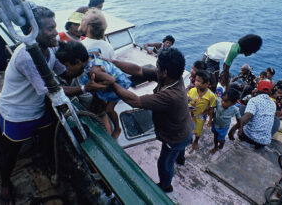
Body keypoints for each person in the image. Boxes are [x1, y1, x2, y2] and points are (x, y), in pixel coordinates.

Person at [0, 6, 101, 205]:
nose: (55, 32)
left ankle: (49, 165)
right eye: (50, 29)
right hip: (17, 113)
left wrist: (82, 68)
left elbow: (64, 73)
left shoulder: (51, 47)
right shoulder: (26, 56)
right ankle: (5, 185)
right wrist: (85, 88)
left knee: (46, 140)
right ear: (32, 32)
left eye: (54, 27)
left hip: (39, 108)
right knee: (10, 154)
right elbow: (52, 91)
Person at [96, 48, 193, 193]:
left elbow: (134, 101)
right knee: (178, 151)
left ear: (165, 72)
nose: (155, 69)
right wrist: (111, 62)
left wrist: (112, 82)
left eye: (158, 67)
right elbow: (139, 70)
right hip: (185, 126)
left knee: (165, 163)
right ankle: (181, 158)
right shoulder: (173, 77)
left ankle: (166, 185)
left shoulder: (172, 95)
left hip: (175, 137)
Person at [55, 41, 131, 135]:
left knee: (108, 109)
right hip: (108, 80)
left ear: (78, 62)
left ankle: (117, 128)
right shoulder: (88, 58)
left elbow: (111, 80)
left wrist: (101, 87)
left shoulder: (93, 71)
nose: (67, 69)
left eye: (67, 66)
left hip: (119, 84)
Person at [79, 8, 122, 138]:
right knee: (103, 114)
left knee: (95, 115)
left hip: (89, 88)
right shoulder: (107, 46)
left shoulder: (81, 45)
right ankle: (111, 137)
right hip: (106, 87)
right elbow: (113, 65)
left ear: (88, 26)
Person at [230, 80, 276, 149]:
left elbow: (247, 117)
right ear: (270, 92)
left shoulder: (254, 100)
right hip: (263, 143)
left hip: (249, 138)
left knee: (242, 108)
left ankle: (242, 138)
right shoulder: (273, 104)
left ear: (257, 89)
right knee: (276, 120)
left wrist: (232, 130)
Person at [187, 70, 216, 150]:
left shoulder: (211, 96)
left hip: (201, 116)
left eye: (199, 81)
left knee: (198, 130)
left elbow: (211, 108)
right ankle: (189, 138)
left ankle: (196, 141)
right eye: (196, 80)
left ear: (207, 84)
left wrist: (210, 120)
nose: (196, 83)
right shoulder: (192, 90)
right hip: (190, 114)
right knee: (188, 127)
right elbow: (187, 99)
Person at [210, 88, 241, 154]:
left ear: (233, 103)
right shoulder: (218, 102)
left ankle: (222, 143)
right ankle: (215, 146)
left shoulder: (235, 109)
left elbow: (239, 119)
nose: (222, 103)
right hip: (215, 123)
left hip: (223, 127)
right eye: (222, 100)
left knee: (220, 139)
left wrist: (240, 128)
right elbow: (211, 107)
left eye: (226, 102)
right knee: (215, 136)